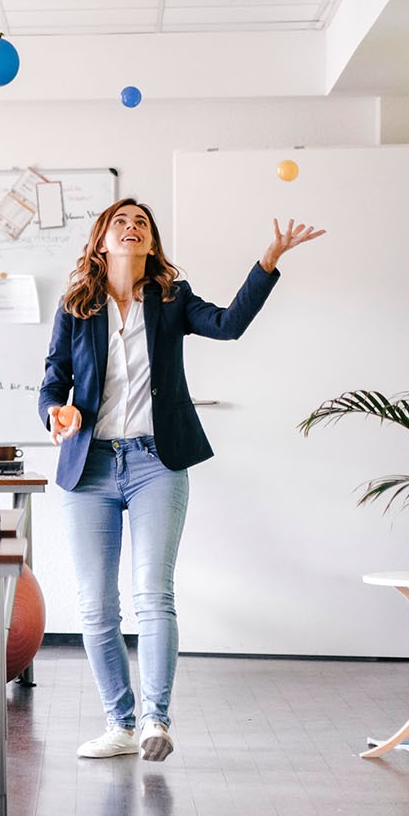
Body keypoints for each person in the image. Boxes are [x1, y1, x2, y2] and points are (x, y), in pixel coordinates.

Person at [38, 198, 324, 762]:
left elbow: (230, 325)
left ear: (151, 243)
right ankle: (119, 724)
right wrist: (56, 412)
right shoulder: (77, 307)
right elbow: (53, 379)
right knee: (95, 606)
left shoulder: (172, 299)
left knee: (153, 593)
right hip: (89, 463)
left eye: (140, 223)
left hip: (155, 463)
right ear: (101, 240)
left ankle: (154, 721)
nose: (130, 227)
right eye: (120, 221)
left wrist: (266, 262)